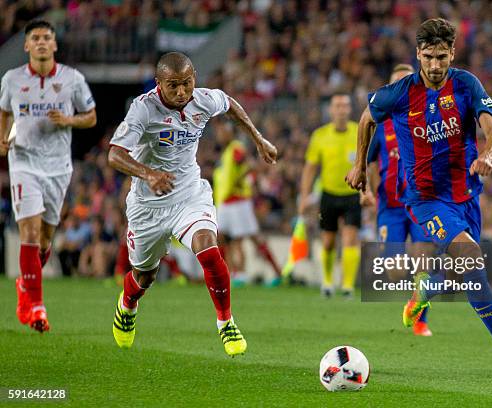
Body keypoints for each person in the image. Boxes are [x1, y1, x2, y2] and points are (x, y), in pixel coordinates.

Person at [346, 18, 492, 369]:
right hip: (424, 198)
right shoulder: (400, 92)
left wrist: (487, 156)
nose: (435, 65)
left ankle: (426, 290)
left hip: (465, 195)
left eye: (442, 57)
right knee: (469, 254)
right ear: (418, 53)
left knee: (461, 267)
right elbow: (365, 119)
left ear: (452, 54)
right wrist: (359, 165)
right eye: (429, 56)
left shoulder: (466, 84)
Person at [108, 52, 277, 356]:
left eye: (187, 83)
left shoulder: (203, 100)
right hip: (149, 206)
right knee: (144, 276)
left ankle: (225, 322)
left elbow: (230, 105)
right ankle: (127, 305)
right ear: (159, 84)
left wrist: (258, 139)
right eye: (173, 86)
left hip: (189, 194)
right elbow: (115, 154)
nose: (182, 92)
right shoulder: (143, 110)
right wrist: (148, 174)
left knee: (207, 247)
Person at [0, 19, 97, 333]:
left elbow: (92, 117)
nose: (41, 42)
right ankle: (37, 306)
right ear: (27, 45)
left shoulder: (73, 79)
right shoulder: (12, 79)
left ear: (54, 45)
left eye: (46, 38)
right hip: (24, 162)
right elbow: (4, 111)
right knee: (28, 232)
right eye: (35, 38)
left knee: (43, 242)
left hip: (57, 167)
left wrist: (68, 119)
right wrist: (3, 137)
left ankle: (24, 287)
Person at [362, 63, 435, 337]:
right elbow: (368, 163)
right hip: (389, 207)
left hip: (420, 204)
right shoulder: (380, 125)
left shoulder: (429, 118)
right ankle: (415, 302)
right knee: (394, 271)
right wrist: (365, 191)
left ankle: (420, 320)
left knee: (422, 262)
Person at [299, 93, 360, 298]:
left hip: (352, 194)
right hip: (328, 195)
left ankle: (348, 286)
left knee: (350, 239)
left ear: (350, 109)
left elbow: (368, 164)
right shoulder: (320, 135)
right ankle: (327, 281)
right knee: (328, 241)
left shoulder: (358, 132)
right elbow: (310, 168)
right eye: (337, 106)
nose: (341, 109)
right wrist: (305, 196)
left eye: (345, 105)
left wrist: (368, 191)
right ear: (331, 110)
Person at [213, 123, 282, 286]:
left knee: (241, 239)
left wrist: (239, 181)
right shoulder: (226, 152)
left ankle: (244, 273)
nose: (220, 135)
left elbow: (250, 165)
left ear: (229, 132)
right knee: (223, 238)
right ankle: (231, 272)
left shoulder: (236, 148)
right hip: (224, 202)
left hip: (237, 201)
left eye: (222, 131)